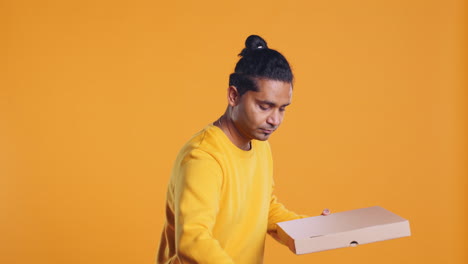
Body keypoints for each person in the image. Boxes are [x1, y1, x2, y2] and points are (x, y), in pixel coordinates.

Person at [157, 35, 329, 264]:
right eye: (264, 106)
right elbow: (192, 241)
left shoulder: (260, 146)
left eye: (282, 109)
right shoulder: (203, 157)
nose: (274, 120)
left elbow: (262, 209)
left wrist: (307, 228)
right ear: (233, 95)